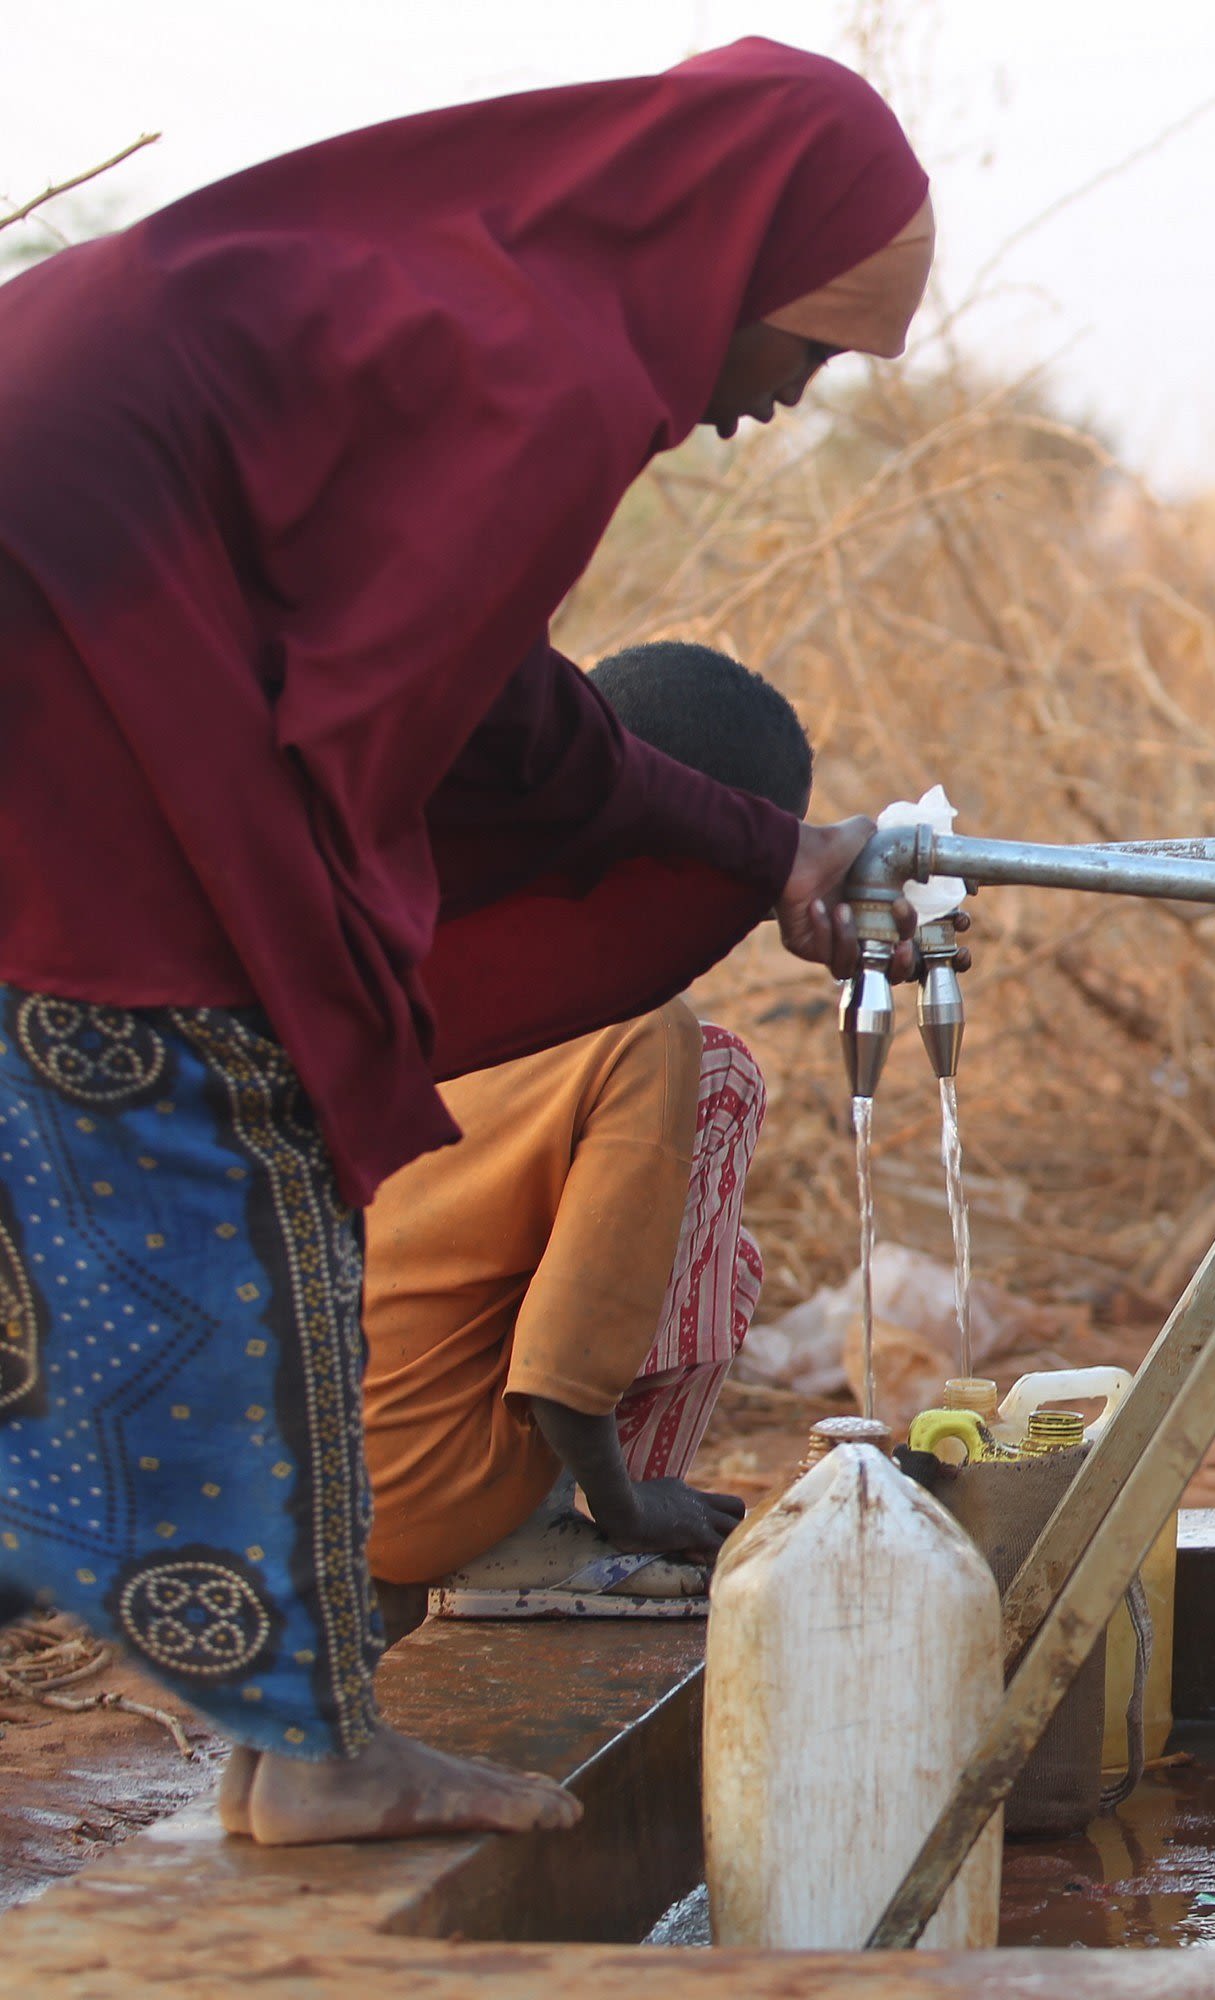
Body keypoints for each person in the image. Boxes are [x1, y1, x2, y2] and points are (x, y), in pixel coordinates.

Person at [0, 42, 941, 1845]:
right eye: (810, 350)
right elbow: (387, 727)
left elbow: (509, 705)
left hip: (77, 612)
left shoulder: (479, 297)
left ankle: (300, 1738)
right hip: (76, 650)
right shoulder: (555, 378)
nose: (789, 400)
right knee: (252, 1135)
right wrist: (332, 1001)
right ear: (734, 260)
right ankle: (322, 1755)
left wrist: (754, 847)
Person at [361, 646, 816, 1631]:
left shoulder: (417, 922)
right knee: (723, 1085)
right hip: (426, 1495)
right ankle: (567, 1542)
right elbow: (567, 1353)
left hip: (283, 1482)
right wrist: (626, 1498)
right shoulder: (639, 1030)